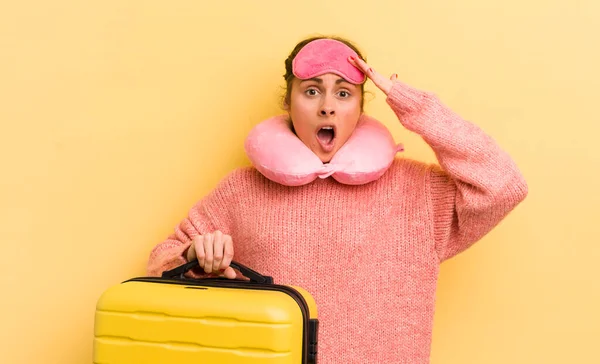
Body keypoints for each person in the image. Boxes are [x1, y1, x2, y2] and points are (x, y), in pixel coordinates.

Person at [146, 35, 528, 363]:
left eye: (343, 93)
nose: (327, 105)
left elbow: (502, 184)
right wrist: (197, 258)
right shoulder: (241, 190)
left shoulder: (420, 192)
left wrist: (409, 102)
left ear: (361, 107)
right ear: (288, 102)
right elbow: (161, 265)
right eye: (311, 90)